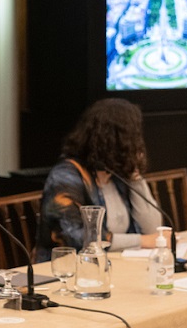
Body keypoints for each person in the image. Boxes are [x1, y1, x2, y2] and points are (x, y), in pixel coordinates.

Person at [35, 98, 164, 262]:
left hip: (114, 265)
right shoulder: (65, 176)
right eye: (132, 136)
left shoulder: (117, 175)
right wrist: (141, 241)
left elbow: (152, 230)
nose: (137, 143)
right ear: (116, 140)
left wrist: (135, 177)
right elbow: (74, 237)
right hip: (67, 270)